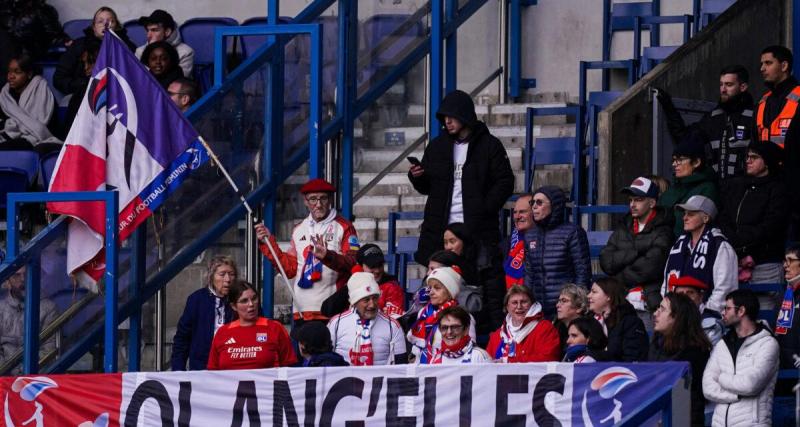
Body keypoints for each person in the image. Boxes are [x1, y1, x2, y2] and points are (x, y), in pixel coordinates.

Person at [408, 89, 514, 269]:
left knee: (476, 284)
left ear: (464, 116)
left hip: (477, 230)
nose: (447, 121)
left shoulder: (489, 145)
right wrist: (417, 176)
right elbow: (427, 187)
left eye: (452, 116)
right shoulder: (437, 147)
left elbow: (505, 182)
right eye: (444, 117)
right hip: (440, 231)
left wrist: (484, 208)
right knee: (440, 286)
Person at [254, 178, 358, 326]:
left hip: (332, 311)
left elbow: (352, 263)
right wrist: (268, 243)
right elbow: (289, 270)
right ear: (305, 201)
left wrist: (328, 256)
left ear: (330, 200)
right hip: (302, 310)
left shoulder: (344, 227)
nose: (318, 204)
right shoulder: (299, 229)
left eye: (323, 198)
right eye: (313, 199)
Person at [656, 65, 756, 180]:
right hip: (719, 189)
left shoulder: (755, 115)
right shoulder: (714, 117)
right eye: (721, 84)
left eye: (729, 85)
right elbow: (684, 137)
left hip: (746, 187)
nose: (723, 89)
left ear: (743, 87)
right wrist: (668, 107)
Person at [718, 141, 789, 301]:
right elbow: (724, 216)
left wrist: (740, 240)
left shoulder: (778, 189)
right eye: (747, 157)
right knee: (737, 315)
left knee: (765, 313)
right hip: (734, 263)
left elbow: (772, 226)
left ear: (768, 162)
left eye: (754, 157)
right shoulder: (737, 186)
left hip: (765, 264)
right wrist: (731, 240)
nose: (748, 160)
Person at [600, 176, 673, 326]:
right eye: (631, 200)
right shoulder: (624, 226)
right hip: (620, 302)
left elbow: (650, 268)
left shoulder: (664, 230)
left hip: (649, 303)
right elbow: (606, 261)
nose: (632, 204)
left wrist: (619, 273)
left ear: (652, 203)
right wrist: (637, 251)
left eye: (638, 200)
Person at [703, 289, 779, 427]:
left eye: (727, 308)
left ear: (741, 311)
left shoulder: (768, 344)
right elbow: (707, 387)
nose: (723, 312)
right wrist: (736, 396)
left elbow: (751, 384)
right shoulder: (722, 344)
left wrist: (721, 378)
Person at [662, 195, 738, 316]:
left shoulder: (720, 245)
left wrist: (704, 314)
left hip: (707, 320)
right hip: (676, 316)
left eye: (691, 214)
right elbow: (666, 285)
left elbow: (724, 289)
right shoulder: (678, 245)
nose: (684, 218)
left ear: (706, 218)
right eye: (685, 214)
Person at [524, 185, 591, 317]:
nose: (534, 207)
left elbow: (582, 273)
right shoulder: (529, 235)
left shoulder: (573, 232)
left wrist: (573, 304)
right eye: (532, 202)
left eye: (539, 202)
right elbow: (529, 274)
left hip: (566, 311)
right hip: (538, 310)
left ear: (554, 206)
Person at [757, 45, 800, 239]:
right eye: (761, 64)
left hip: (794, 186)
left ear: (784, 65)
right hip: (766, 184)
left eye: (768, 63)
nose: (762, 68)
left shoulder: (798, 97)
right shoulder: (763, 101)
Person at [650, 293, 712, 426]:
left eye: (662, 309)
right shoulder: (656, 344)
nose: (656, 313)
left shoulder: (694, 352)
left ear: (677, 317)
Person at [207, 281, 296, 370]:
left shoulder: (275, 328)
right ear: (234, 306)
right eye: (244, 301)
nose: (251, 304)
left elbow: (290, 368)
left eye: (254, 298)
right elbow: (212, 371)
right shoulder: (223, 332)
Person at [327, 269, 407, 366]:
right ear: (355, 302)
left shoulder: (393, 326)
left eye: (375, 298)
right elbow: (326, 361)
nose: (372, 305)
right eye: (366, 300)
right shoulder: (336, 323)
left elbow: (401, 366)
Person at [171, 255, 237, 371]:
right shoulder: (197, 300)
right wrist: (178, 370)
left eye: (231, 274)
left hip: (233, 365)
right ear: (211, 276)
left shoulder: (241, 298)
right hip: (202, 367)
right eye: (222, 274)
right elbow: (182, 338)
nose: (227, 279)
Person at [53, 7, 135, 98]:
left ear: (116, 26)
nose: (106, 24)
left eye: (110, 21)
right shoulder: (79, 45)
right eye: (100, 21)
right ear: (94, 27)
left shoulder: (127, 46)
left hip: (120, 97)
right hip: (84, 96)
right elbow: (59, 79)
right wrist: (87, 84)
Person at [407, 266, 476, 364]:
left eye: (437, 288)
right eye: (430, 288)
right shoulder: (423, 313)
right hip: (421, 370)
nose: (431, 292)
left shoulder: (463, 316)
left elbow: (470, 351)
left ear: (449, 292)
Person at [443, 222, 504, 332]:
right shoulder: (444, 263)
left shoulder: (485, 262)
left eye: (452, 241)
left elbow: (494, 302)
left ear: (465, 241)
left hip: (481, 321)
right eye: (445, 242)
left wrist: (497, 332)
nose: (448, 247)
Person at [658, 132, 720, 237]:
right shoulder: (672, 189)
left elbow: (692, 225)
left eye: (680, 160)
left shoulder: (708, 189)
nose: (674, 164)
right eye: (674, 160)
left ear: (696, 162)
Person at [321, 244, 404, 320]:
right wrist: (353, 283)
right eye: (372, 266)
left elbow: (393, 321)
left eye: (380, 265)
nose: (377, 270)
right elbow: (327, 310)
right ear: (360, 267)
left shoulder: (391, 286)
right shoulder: (354, 284)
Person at [0, 266, 57, 375]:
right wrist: (5, 374)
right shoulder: (1, 309)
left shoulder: (49, 308)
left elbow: (49, 349)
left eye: (26, 274)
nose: (22, 279)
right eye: (16, 275)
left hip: (33, 379)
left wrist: (22, 374)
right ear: (8, 280)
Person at [0, 51, 61, 152]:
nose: (10, 76)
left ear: (29, 74)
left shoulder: (42, 93)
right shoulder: (4, 95)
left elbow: (48, 128)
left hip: (35, 139)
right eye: (9, 71)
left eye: (17, 72)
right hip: (9, 138)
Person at [486, 285, 561, 363]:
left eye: (524, 302)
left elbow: (549, 359)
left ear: (532, 305)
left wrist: (508, 361)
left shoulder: (545, 329)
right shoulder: (496, 336)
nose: (519, 306)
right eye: (514, 303)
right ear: (507, 307)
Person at [587, 277, 649, 362]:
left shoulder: (631, 323)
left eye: (594, 292)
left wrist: (595, 356)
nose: (588, 296)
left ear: (609, 296)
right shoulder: (587, 321)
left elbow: (632, 359)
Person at [135, 10, 194, 77]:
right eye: (147, 30)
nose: (148, 35)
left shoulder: (185, 52)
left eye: (154, 30)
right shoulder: (140, 51)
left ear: (167, 32)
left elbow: (179, 82)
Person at [669, 274, 724, 346]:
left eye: (690, 293)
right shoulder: (669, 319)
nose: (685, 298)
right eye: (680, 294)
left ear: (701, 296)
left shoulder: (711, 324)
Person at [426, 306, 490, 364]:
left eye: (455, 327)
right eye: (444, 328)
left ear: (466, 330)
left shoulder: (479, 356)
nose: (449, 332)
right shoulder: (435, 358)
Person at [501, 194, 534, 289]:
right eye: (515, 212)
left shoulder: (544, 242)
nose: (517, 216)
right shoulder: (506, 244)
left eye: (522, 212)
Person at [776, 245, 800, 369]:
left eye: (790, 260)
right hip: (785, 365)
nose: (785, 265)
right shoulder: (784, 295)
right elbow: (781, 332)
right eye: (785, 261)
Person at [554, 283, 589, 351]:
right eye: (558, 301)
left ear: (579, 307)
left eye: (564, 301)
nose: (557, 305)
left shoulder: (587, 330)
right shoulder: (557, 329)